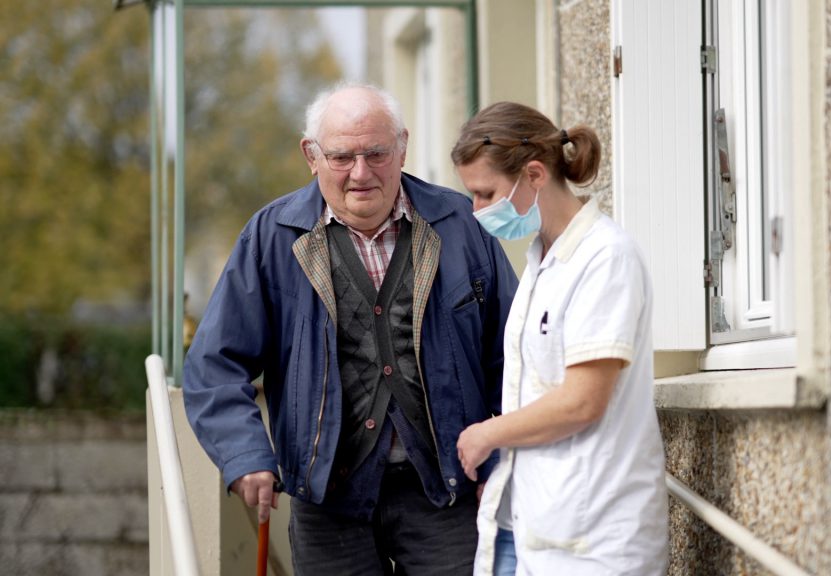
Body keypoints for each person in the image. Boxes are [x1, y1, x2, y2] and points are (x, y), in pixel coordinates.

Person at [183, 83, 518, 575]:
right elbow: (215, 364)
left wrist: (500, 460)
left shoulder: (460, 226)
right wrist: (245, 454)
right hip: (328, 502)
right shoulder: (271, 238)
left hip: (447, 493)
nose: (360, 173)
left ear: (403, 146)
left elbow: (511, 354)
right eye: (341, 156)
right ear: (310, 155)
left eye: (377, 153)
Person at [452, 102, 670, 575]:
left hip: (598, 541)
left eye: (485, 194)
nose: (476, 212)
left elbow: (581, 402)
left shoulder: (606, 258)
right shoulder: (540, 262)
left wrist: (486, 436)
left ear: (533, 174)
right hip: (542, 525)